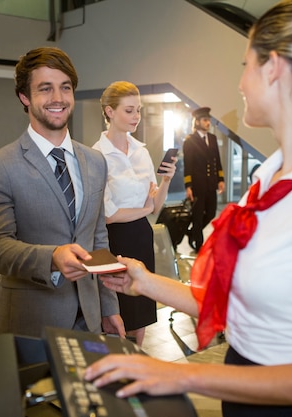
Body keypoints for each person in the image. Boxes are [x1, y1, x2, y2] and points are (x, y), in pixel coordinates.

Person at [83, 1, 292, 416]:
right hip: (243, 392)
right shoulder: (269, 176)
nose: (242, 83)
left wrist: (180, 375)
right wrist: (145, 282)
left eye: (245, 65)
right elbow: (232, 302)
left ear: (274, 68)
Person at [0, 47, 125, 339]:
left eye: (65, 88)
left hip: (90, 317)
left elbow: (98, 239)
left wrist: (109, 307)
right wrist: (52, 257)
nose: (58, 98)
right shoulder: (0, 165)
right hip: (31, 320)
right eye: (45, 89)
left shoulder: (95, 162)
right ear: (25, 97)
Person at [92, 81, 177, 346]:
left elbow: (155, 206)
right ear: (109, 112)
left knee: (140, 315)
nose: (136, 117)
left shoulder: (141, 152)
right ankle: (119, 369)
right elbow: (108, 215)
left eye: (138, 110)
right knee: (119, 315)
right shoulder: (97, 155)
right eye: (129, 111)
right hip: (114, 241)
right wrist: (145, 208)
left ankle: (136, 362)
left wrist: (165, 182)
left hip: (141, 236)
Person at [183, 106, 225, 252]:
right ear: (197, 121)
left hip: (211, 183)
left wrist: (220, 179)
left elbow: (217, 160)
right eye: (205, 120)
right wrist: (188, 186)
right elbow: (188, 165)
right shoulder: (189, 141)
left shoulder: (212, 139)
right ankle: (199, 245)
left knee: (212, 213)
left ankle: (192, 232)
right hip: (197, 185)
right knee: (198, 215)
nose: (208, 123)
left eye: (209, 120)